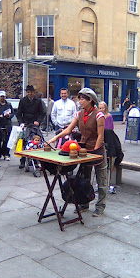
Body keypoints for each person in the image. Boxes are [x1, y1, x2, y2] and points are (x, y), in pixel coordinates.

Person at [48, 87, 107, 217]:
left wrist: (95, 151)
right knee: (84, 179)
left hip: (97, 151)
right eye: (79, 98)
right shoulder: (79, 114)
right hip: (84, 151)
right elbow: (69, 130)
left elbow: (100, 136)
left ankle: (100, 206)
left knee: (101, 180)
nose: (79, 101)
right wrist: (55, 137)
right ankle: (84, 203)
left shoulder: (99, 115)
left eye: (82, 99)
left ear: (90, 100)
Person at [16, 85, 45, 169]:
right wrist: (21, 122)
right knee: (24, 141)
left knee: (36, 140)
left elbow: (42, 113)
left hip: (35, 123)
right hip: (26, 123)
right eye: (28, 92)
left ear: (34, 92)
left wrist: (38, 121)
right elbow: (19, 113)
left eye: (31, 92)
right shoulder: (23, 101)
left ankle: (36, 160)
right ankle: (23, 160)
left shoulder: (38, 101)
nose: (30, 94)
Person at [0, 90, 14, 161]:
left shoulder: (8, 104)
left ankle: (6, 154)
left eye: (3, 96)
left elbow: (13, 113)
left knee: (7, 140)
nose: (2, 98)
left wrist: (9, 116)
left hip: (7, 124)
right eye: (1, 97)